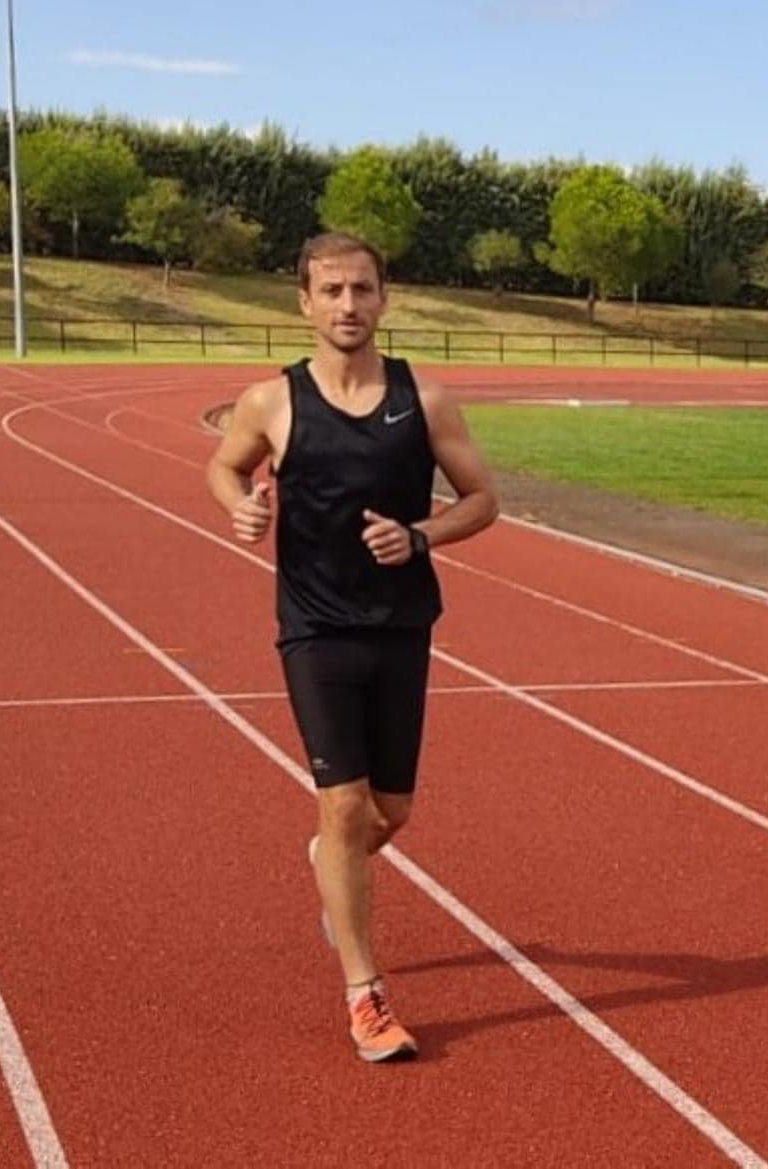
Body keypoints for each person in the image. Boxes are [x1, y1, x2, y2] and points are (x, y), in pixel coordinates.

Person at [206, 232, 498, 1062]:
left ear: (384, 299)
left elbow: (482, 500)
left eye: (361, 289)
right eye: (330, 290)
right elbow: (224, 468)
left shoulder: (426, 399)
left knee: (388, 812)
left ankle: (332, 862)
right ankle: (366, 995)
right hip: (315, 626)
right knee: (342, 804)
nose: (347, 305)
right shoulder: (272, 401)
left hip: (402, 625)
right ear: (303, 302)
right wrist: (242, 507)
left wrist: (421, 534)